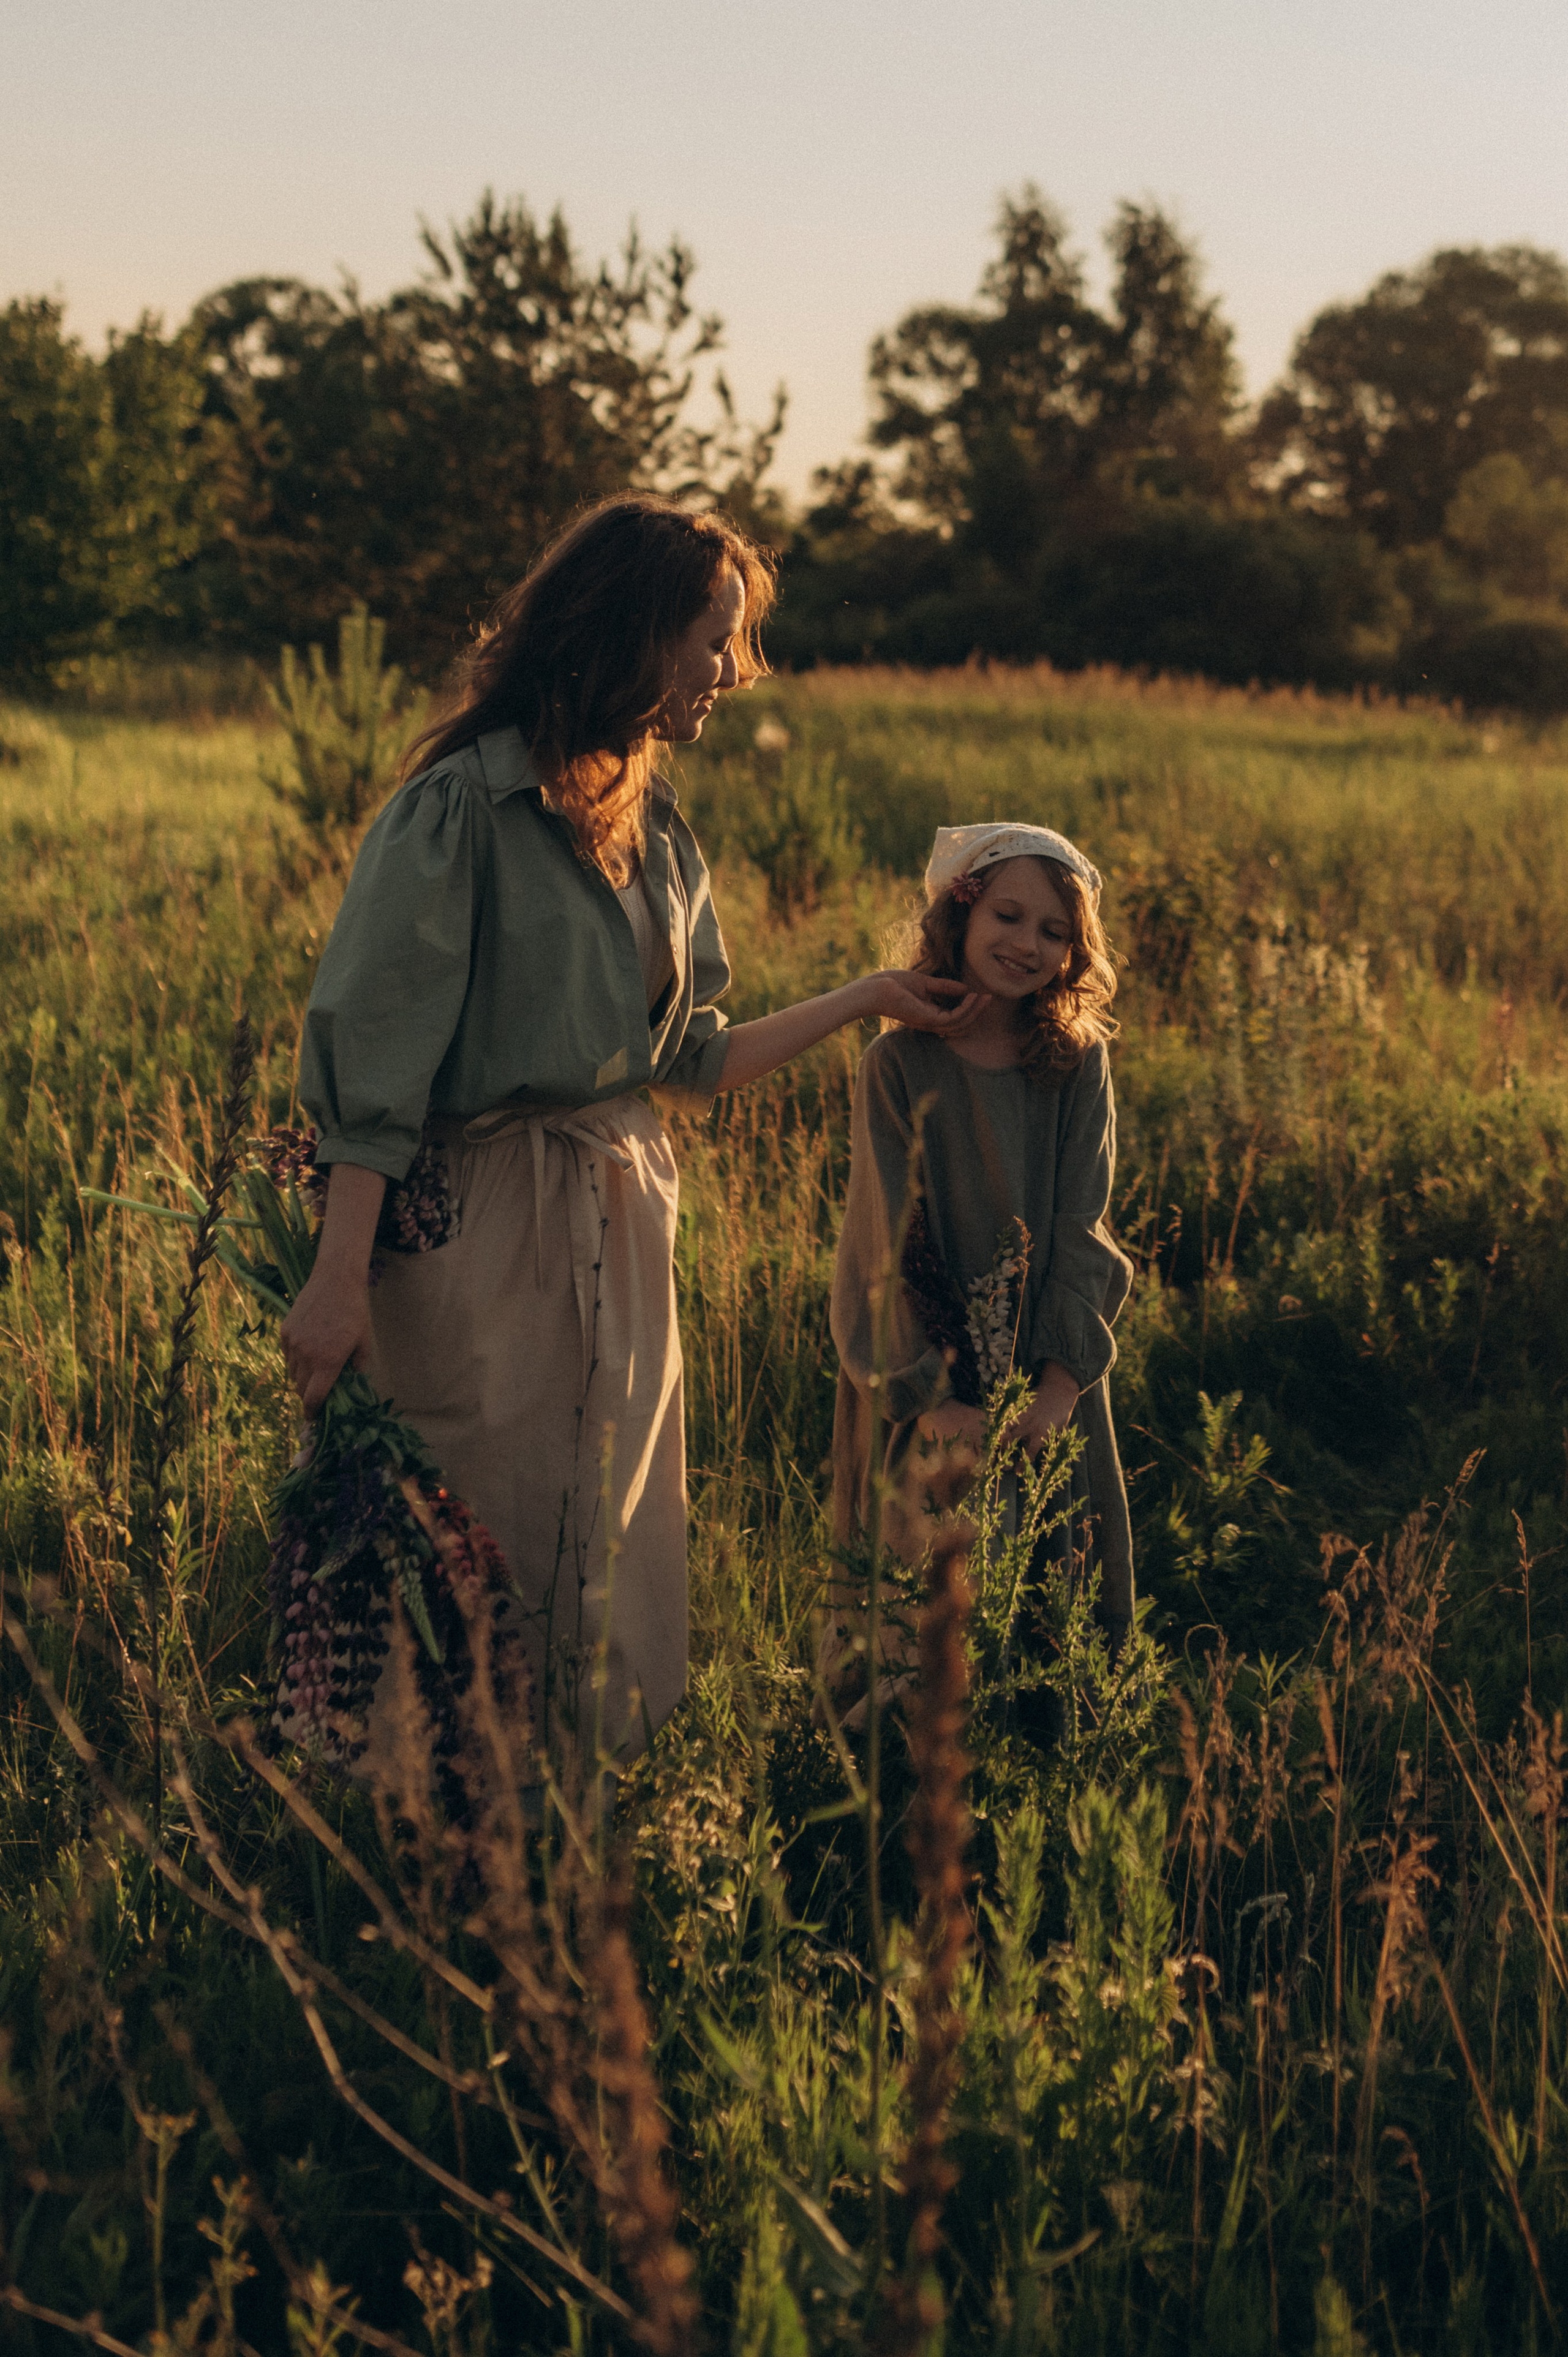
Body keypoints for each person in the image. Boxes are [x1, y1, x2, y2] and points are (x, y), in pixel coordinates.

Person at [281, 494, 980, 1765]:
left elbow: (690, 1064)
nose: (733, 670)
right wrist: (336, 1279)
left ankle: (579, 1805)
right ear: (632, 630)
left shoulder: (650, 825)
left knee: (604, 1513)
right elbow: (372, 1072)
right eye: (713, 638)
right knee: (475, 1519)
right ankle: (426, 1816)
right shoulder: (459, 810)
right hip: (478, 1224)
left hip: (621, 1208)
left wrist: (871, 997)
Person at [829, 821, 1134, 1640]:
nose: (1026, 943)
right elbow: (881, 1239)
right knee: (924, 1620)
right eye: (1007, 915)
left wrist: (1060, 1388)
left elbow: (1082, 1223)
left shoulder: (1075, 1062)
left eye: (1054, 931)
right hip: (930, 1382)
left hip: (1045, 1380)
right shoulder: (898, 1065)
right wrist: (931, 1396)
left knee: (1051, 1608)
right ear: (958, 915)